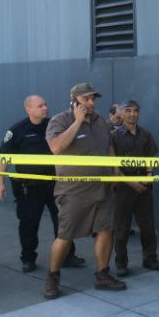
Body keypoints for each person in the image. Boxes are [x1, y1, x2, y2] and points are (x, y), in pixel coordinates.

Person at [43, 83, 127, 299]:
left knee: (105, 230)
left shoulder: (100, 122)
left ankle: (102, 275)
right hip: (73, 190)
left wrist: (115, 169)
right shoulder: (60, 120)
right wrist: (78, 121)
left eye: (93, 99)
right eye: (86, 99)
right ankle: (52, 277)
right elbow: (56, 148)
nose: (91, 103)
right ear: (74, 101)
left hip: (102, 188)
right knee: (65, 235)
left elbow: (109, 146)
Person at [0, 95, 84, 273]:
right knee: (29, 223)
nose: (45, 108)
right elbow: (3, 157)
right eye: (40, 106)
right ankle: (28, 258)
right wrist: (0, 183)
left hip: (56, 184)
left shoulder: (53, 126)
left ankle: (67, 256)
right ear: (28, 109)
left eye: (45, 104)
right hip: (30, 187)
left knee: (63, 221)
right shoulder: (17, 130)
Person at [110, 99, 159, 277]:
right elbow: (114, 168)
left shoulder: (146, 134)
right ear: (121, 113)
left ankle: (150, 258)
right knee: (121, 228)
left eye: (135, 111)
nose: (132, 114)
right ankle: (121, 263)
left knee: (148, 226)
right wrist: (134, 184)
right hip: (124, 187)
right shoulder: (114, 136)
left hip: (144, 187)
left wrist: (148, 178)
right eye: (128, 110)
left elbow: (150, 158)